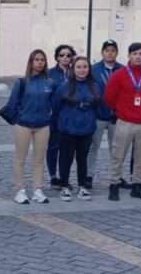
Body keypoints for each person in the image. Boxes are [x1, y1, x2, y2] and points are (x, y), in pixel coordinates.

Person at [103, 42, 141, 202]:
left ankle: (137, 186)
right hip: (125, 121)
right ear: (129, 56)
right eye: (135, 54)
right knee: (118, 154)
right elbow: (109, 97)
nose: (138, 57)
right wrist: (121, 110)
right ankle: (114, 185)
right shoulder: (119, 74)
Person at [4, 50, 54, 204]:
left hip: (43, 126)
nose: (40, 62)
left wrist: (48, 118)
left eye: (42, 60)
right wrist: (19, 119)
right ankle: (19, 190)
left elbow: (53, 103)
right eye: (36, 59)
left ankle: (37, 189)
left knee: (39, 159)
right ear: (31, 62)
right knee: (20, 159)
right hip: (24, 125)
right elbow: (12, 104)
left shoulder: (49, 83)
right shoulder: (21, 82)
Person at [52, 56, 102, 201]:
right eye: (78, 67)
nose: (82, 70)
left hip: (86, 127)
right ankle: (64, 186)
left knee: (82, 158)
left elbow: (97, 105)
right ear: (73, 69)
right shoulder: (64, 86)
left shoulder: (95, 86)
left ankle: (82, 186)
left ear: (89, 69)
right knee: (66, 158)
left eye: (85, 67)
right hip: (68, 127)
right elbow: (56, 105)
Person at [88, 39, 123, 190]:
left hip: (116, 115)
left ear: (117, 53)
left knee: (116, 148)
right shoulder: (94, 70)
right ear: (102, 52)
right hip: (98, 115)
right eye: (107, 50)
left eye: (113, 50)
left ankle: (116, 177)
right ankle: (89, 175)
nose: (110, 53)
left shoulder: (122, 70)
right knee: (93, 146)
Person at [47, 45, 74, 190]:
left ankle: (65, 177)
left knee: (67, 148)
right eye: (62, 55)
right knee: (53, 146)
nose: (65, 57)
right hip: (55, 115)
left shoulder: (75, 72)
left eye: (68, 55)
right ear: (57, 57)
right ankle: (53, 176)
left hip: (71, 115)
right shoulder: (50, 73)